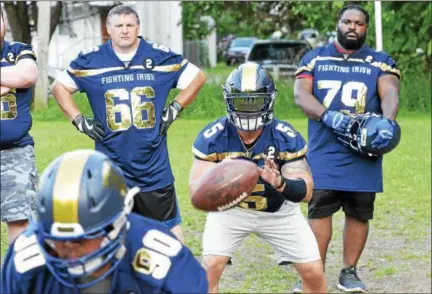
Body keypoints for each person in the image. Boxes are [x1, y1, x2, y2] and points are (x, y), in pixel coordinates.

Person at [50, 5, 206, 243]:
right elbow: (59, 87)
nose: (124, 31)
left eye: (129, 25)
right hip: (110, 168)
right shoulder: (91, 60)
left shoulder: (159, 56)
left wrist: (175, 108)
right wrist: (79, 121)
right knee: (110, 238)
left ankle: (177, 277)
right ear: (108, 29)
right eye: (119, 26)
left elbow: (197, 77)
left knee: (169, 238)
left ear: (137, 28)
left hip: (153, 167)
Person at [188, 62, 328, 294]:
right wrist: (218, 176)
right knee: (210, 267)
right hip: (230, 211)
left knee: (314, 271)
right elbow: (195, 190)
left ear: (269, 101)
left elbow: (307, 191)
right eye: (242, 101)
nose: (248, 110)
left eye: (255, 101)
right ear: (230, 100)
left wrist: (280, 182)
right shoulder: (213, 137)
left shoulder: (284, 136)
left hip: (278, 211)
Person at [293, 4, 400, 293]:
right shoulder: (315, 57)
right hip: (325, 148)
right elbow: (301, 94)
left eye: (359, 23)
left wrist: (387, 123)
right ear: (338, 24)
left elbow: (389, 91)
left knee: (359, 212)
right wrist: (328, 115)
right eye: (347, 21)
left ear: (366, 28)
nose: (353, 27)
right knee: (319, 210)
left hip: (363, 149)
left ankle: (348, 272)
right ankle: (314, 272)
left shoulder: (379, 61)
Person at [1, 149, 209, 293]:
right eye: (56, 239)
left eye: (81, 239)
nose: (67, 249)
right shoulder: (26, 260)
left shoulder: (161, 257)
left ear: (117, 225)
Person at [0, 10, 39, 244]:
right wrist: (7, 80)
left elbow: (27, 76)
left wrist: (17, 78)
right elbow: (16, 78)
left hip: (17, 153)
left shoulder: (18, 51)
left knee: (21, 224)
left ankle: (19, 278)